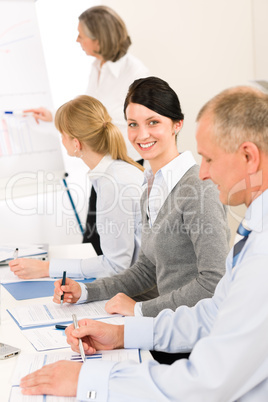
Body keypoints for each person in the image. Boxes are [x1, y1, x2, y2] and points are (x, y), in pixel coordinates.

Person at [20, 85, 268, 401]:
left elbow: (209, 381)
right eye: (133, 123)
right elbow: (212, 312)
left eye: (208, 158)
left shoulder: (260, 252)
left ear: (248, 156)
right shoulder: (251, 230)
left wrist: (91, 378)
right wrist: (123, 333)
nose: (203, 172)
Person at [53, 77, 230, 320]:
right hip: (167, 325)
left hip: (195, 332)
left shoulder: (199, 188)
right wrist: (86, 291)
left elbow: (213, 282)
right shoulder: (151, 187)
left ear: (177, 124)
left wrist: (140, 310)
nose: (141, 134)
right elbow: (147, 269)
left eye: (153, 122)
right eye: (133, 124)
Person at [25, 5, 149, 249]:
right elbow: (91, 113)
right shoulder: (97, 67)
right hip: (103, 164)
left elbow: (138, 126)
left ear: (99, 40)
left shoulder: (136, 74)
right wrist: (54, 118)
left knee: (109, 242)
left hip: (124, 163)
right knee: (95, 237)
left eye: (82, 34)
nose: (77, 39)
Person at [9, 95, 144, 280]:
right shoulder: (119, 171)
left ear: (76, 143)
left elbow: (116, 267)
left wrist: (47, 268)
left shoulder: (113, 185)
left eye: (62, 135)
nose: (61, 140)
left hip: (144, 291)